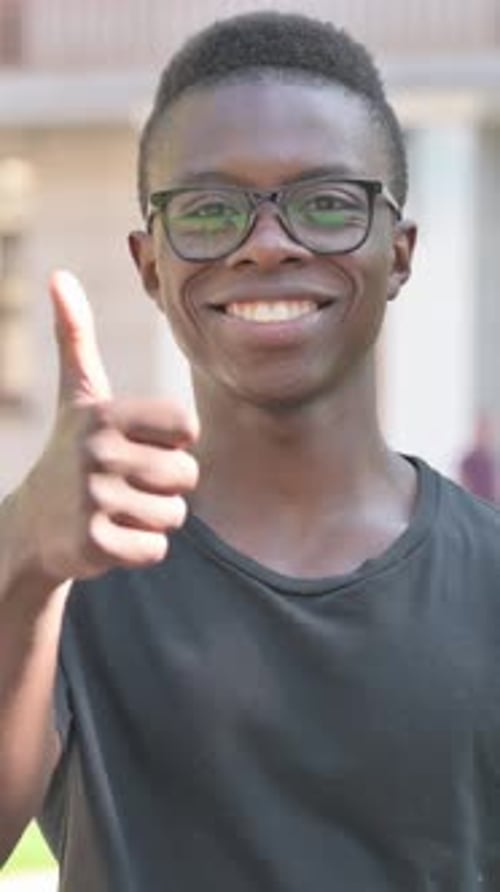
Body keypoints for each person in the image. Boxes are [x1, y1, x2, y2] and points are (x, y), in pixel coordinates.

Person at [1, 10, 500, 891]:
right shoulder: (65, 566)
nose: (268, 244)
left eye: (326, 204)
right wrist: (21, 563)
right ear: (149, 263)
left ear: (401, 253)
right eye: (208, 210)